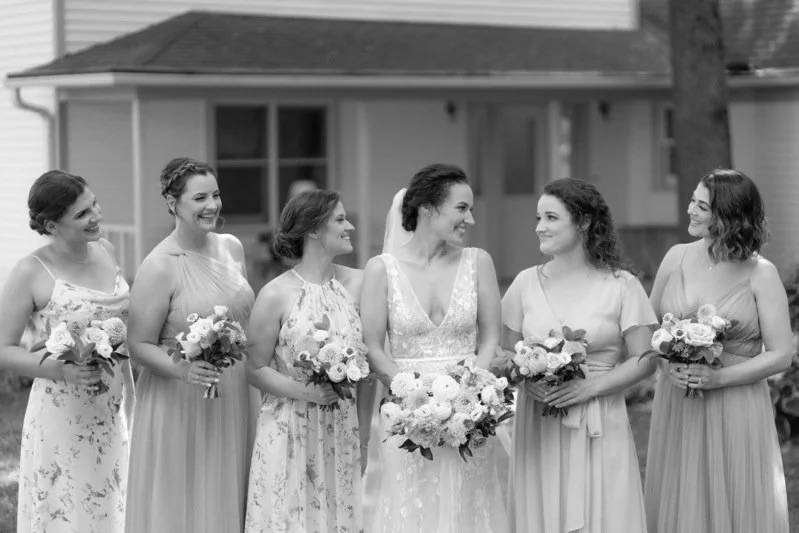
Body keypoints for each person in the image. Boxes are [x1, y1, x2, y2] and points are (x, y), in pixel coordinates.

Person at [501, 177, 656, 533]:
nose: (540, 227)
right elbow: (503, 353)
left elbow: (646, 357)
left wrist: (590, 388)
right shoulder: (524, 283)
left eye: (552, 218)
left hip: (599, 421)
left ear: (583, 222)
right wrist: (525, 379)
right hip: (538, 424)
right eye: (538, 218)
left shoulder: (621, 285)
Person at [361, 163, 508, 533]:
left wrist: (473, 390)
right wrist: (414, 395)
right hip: (407, 413)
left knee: (469, 502)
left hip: (470, 412)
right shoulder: (382, 269)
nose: (470, 219)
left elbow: (490, 337)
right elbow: (374, 348)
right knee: (411, 504)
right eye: (461, 208)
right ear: (428, 208)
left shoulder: (479, 262)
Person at [644, 169, 791, 533]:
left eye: (702, 206)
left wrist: (718, 377)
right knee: (682, 500)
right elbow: (649, 329)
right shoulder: (675, 257)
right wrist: (666, 367)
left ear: (728, 215)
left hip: (736, 405)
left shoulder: (761, 273)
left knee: (735, 503)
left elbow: (781, 354)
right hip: (679, 405)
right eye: (692, 200)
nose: (690, 210)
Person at [125, 157, 256, 533]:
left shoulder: (231, 248)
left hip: (235, 390)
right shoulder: (160, 265)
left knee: (234, 485)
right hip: (180, 395)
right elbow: (139, 344)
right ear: (172, 202)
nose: (212, 205)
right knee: (186, 493)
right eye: (199, 198)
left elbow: (240, 319)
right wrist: (185, 369)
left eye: (215, 195)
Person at [0, 170, 133, 532]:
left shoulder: (106, 250)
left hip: (113, 404)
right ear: (51, 224)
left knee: (111, 501)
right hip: (62, 413)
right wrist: (60, 370)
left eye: (94, 204)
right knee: (66, 506)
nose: (96, 216)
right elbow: (4, 349)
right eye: (82, 214)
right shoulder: (31, 270)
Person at [244, 189, 365, 532]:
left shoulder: (358, 284)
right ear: (313, 230)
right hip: (289, 429)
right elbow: (254, 368)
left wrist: (365, 438)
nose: (350, 226)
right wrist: (305, 392)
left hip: (342, 430)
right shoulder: (275, 294)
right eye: (340, 220)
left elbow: (367, 363)